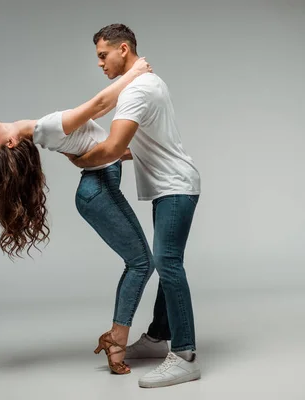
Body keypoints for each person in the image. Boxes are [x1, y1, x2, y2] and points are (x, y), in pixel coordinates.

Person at [0, 57, 154, 375]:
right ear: (10, 141)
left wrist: (138, 153)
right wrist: (134, 73)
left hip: (96, 191)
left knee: (141, 262)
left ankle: (116, 343)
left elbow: (93, 154)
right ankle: (116, 342)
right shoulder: (47, 129)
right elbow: (101, 104)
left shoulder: (42, 133)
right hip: (97, 194)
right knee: (142, 263)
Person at [64, 23, 202, 388]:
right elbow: (132, 148)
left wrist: (81, 159)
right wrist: (107, 154)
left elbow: (110, 149)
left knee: (167, 264)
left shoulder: (137, 90)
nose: (100, 63)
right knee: (165, 260)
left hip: (174, 187)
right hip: (173, 185)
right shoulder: (145, 84)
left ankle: (185, 355)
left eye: (103, 55)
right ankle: (158, 338)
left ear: (123, 49)